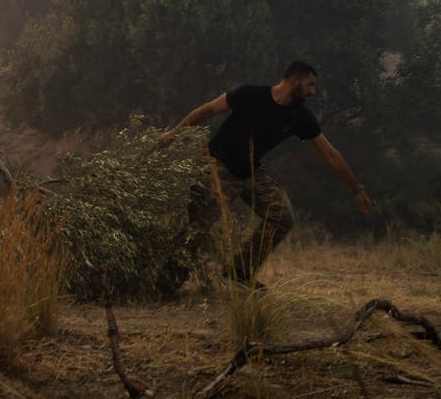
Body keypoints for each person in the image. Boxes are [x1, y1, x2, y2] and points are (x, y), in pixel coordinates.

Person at [157, 60, 372, 286]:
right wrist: (173, 134)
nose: (312, 91)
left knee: (282, 218)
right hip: (217, 167)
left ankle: (238, 274)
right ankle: (164, 286)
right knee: (197, 228)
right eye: (310, 85)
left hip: (250, 172)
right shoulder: (249, 94)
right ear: (295, 80)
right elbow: (208, 110)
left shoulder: (300, 116)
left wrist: (357, 189)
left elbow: (330, 154)